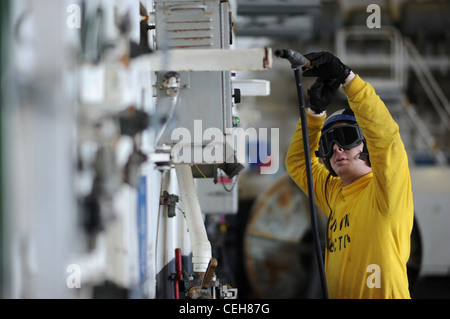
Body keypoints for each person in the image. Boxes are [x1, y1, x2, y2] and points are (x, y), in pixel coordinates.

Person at [285, 51, 414, 299]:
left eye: (345, 137)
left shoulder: (385, 193)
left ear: (364, 144)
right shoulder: (335, 194)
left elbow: (385, 139)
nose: (336, 148)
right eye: (329, 142)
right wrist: (314, 114)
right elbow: (299, 163)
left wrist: (347, 79)